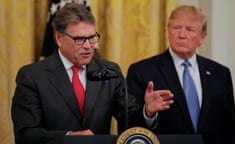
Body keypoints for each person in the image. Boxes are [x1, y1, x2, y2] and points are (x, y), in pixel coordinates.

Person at [11, 3, 174, 144]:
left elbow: (127, 122)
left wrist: (147, 112)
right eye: (80, 39)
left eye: (92, 38)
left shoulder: (110, 71)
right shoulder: (32, 76)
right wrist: (70, 138)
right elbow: (26, 135)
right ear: (59, 38)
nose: (88, 46)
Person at [126, 5, 235, 144]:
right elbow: (128, 127)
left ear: (202, 37)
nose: (182, 35)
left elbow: (229, 129)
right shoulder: (142, 71)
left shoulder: (220, 74)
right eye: (176, 28)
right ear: (168, 31)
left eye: (190, 30)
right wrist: (148, 113)